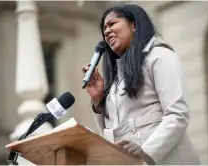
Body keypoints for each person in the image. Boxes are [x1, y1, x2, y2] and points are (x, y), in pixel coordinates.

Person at [82, 4, 200, 165]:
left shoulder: (159, 56)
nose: (106, 31)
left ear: (134, 25)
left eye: (112, 24)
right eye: (104, 28)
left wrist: (146, 152)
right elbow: (112, 135)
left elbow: (177, 114)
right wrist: (99, 100)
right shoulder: (117, 80)